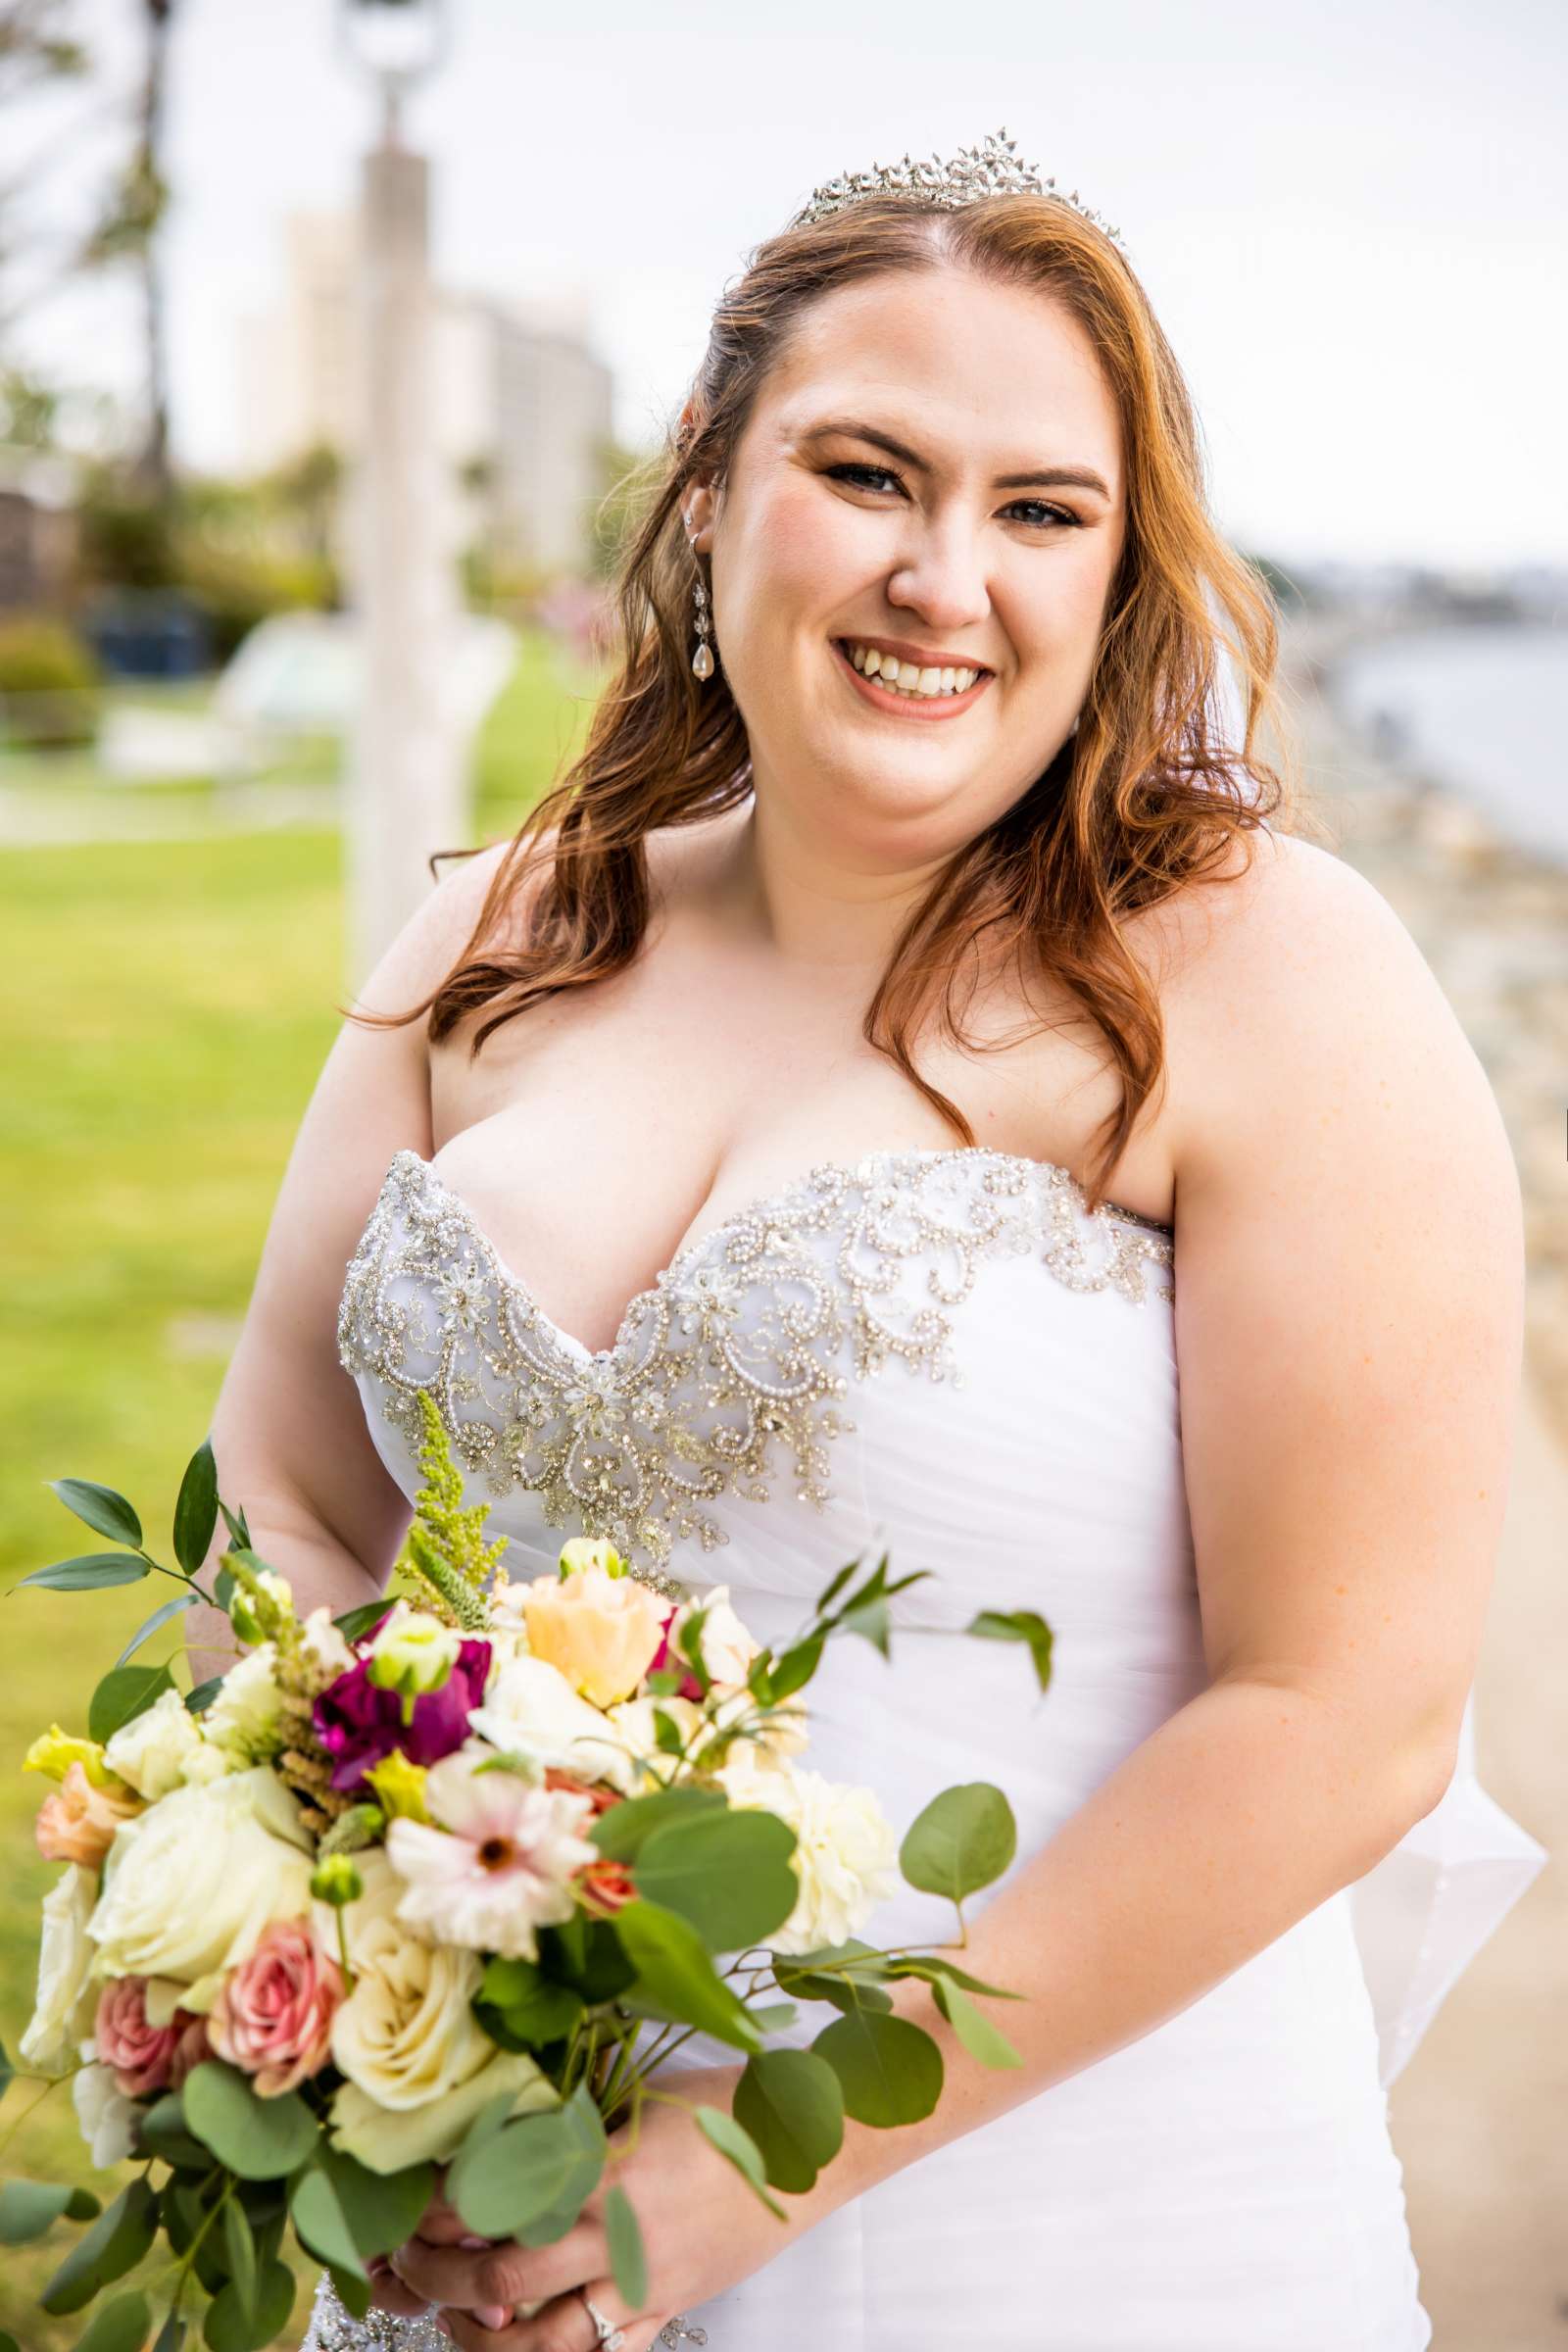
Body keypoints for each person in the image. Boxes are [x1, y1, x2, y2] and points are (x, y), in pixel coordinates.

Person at [202, 127, 1546, 2352]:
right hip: (468, 2214)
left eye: (1041, 512)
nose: (946, 577)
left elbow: (1343, 1712)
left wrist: (746, 2163)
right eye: (867, 472)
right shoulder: (498, 931)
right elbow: (283, 1490)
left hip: (1068, 2224)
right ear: (710, 490)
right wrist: (373, 1970)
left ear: (1115, 580)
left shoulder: (1265, 977)